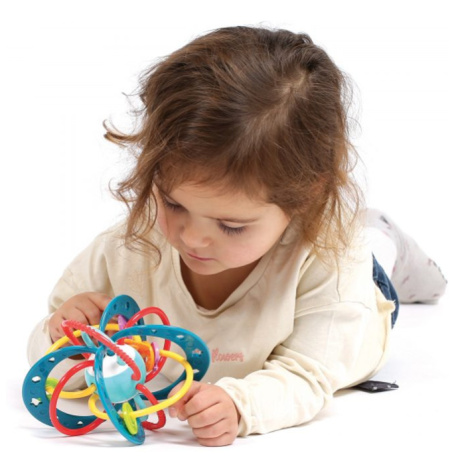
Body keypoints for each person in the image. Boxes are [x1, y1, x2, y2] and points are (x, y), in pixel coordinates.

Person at [27, 26, 447, 446]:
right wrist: (63, 333)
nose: (192, 237)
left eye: (231, 226)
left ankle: (387, 240)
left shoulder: (332, 266)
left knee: (370, 260)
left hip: (357, 302)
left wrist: (243, 404)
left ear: (305, 197)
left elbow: (308, 375)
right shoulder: (129, 246)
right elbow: (45, 360)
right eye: (173, 204)